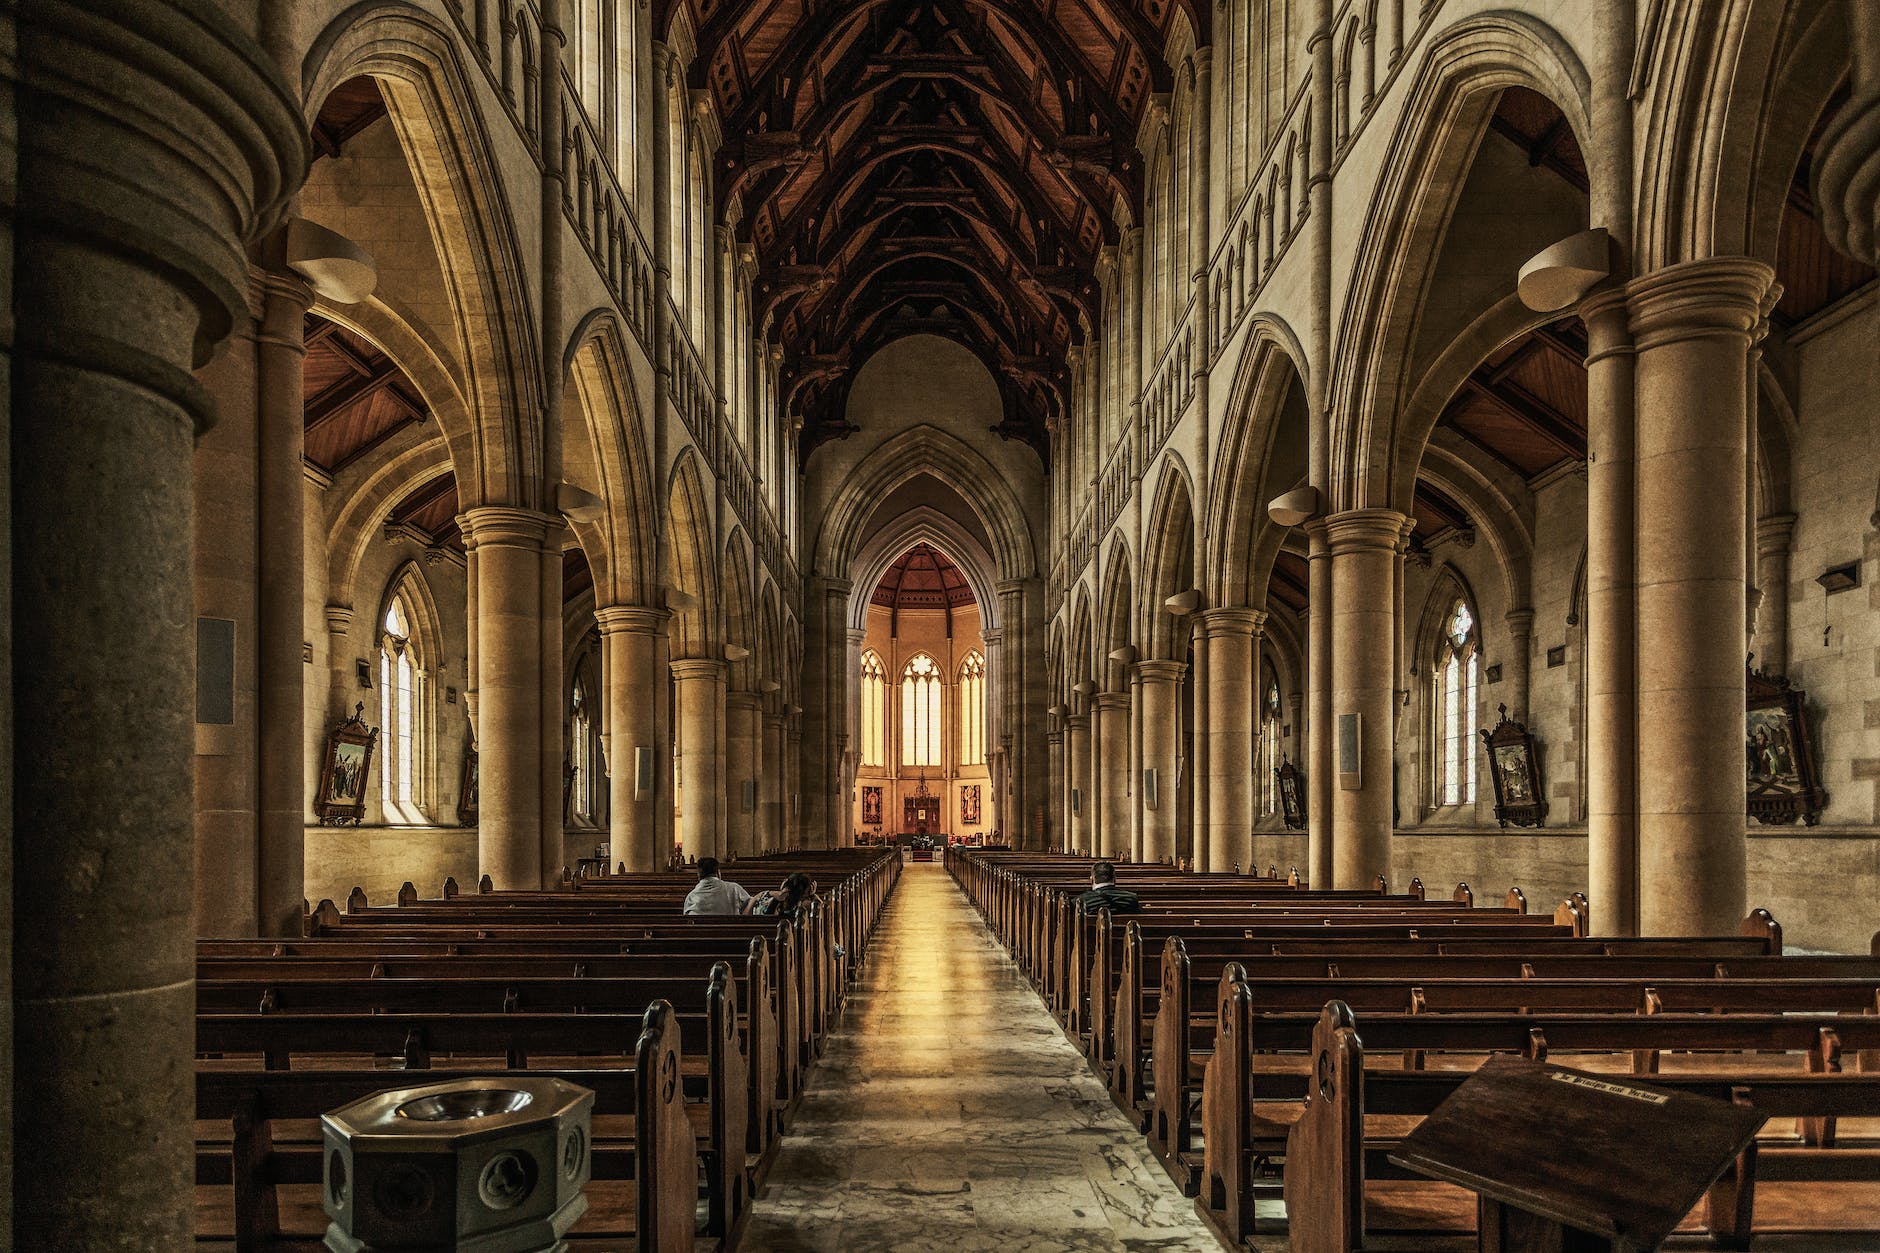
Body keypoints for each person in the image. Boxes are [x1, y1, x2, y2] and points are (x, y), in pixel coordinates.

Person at [682, 857, 751, 916]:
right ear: (718, 872)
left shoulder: (691, 897)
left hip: (701, 931)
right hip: (730, 931)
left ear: (698, 875)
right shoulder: (734, 889)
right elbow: (751, 906)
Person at [748, 871, 816, 920]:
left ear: (785, 882)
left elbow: (744, 917)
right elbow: (823, 917)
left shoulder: (762, 895)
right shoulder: (805, 904)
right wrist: (813, 895)